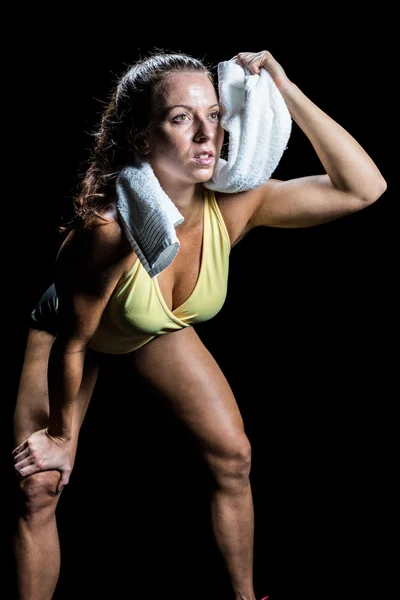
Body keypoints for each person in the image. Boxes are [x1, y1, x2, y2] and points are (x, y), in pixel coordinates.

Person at [11, 48, 386, 600]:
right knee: (39, 488)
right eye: (181, 118)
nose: (206, 135)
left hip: (149, 328)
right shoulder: (108, 233)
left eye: (213, 115)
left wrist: (283, 89)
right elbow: (76, 342)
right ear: (142, 138)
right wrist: (63, 439)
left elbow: (363, 188)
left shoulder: (234, 207)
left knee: (235, 458)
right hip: (69, 334)